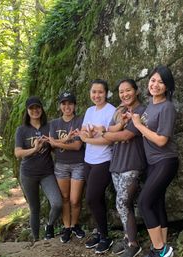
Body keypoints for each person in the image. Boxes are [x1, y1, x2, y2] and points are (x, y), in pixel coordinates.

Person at [131, 65, 179, 257]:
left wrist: (137, 125)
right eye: (153, 80)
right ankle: (161, 246)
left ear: (167, 87)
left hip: (165, 161)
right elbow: (147, 128)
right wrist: (135, 120)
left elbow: (161, 140)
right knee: (157, 203)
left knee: (144, 203)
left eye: (161, 82)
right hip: (154, 163)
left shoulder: (167, 107)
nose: (155, 84)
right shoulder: (151, 105)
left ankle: (161, 250)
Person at [99, 79, 146, 257]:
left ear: (136, 91)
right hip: (117, 163)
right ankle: (128, 237)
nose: (125, 94)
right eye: (121, 92)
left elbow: (126, 135)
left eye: (128, 91)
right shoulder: (121, 112)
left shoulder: (141, 111)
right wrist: (111, 131)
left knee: (122, 202)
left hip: (132, 163)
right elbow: (114, 131)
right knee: (124, 206)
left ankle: (134, 244)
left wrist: (106, 133)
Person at [14, 96, 62, 242]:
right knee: (35, 209)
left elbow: (54, 147)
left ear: (42, 109)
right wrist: (34, 149)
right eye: (31, 108)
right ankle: (36, 241)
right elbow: (18, 153)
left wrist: (54, 144)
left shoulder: (50, 126)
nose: (35, 111)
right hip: (28, 174)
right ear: (27, 111)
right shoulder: (21, 130)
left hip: (47, 173)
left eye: (37, 107)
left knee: (57, 203)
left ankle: (49, 226)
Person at [76, 79, 116, 254]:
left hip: (104, 160)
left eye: (100, 92)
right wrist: (91, 134)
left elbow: (109, 138)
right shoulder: (89, 110)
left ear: (106, 93)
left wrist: (87, 138)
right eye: (93, 92)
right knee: (96, 199)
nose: (96, 95)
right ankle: (100, 232)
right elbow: (84, 130)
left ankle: (106, 237)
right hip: (88, 159)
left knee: (92, 198)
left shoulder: (112, 111)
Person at [48, 92, 86, 243]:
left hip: (78, 164)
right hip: (61, 165)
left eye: (70, 103)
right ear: (60, 106)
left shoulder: (80, 120)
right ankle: (67, 227)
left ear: (75, 105)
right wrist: (64, 140)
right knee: (64, 198)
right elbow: (50, 144)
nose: (67, 106)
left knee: (75, 199)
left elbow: (77, 145)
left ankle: (76, 224)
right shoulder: (54, 123)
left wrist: (56, 143)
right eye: (63, 103)